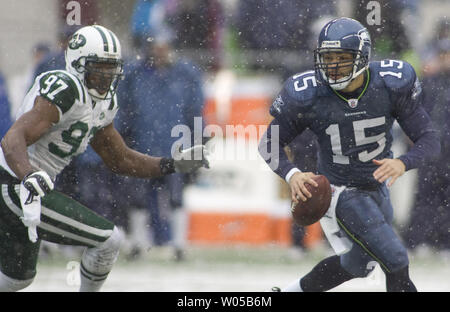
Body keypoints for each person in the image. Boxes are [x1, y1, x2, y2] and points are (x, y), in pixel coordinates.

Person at [0, 25, 209, 292]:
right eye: (99, 66)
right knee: (108, 239)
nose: (107, 74)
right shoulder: (66, 88)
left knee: (16, 280)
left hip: (28, 187)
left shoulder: (103, 101)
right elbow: (12, 138)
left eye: (112, 66)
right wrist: (28, 174)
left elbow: (120, 159)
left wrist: (172, 164)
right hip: (15, 185)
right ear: (78, 62)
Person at [258, 17, 440, 292]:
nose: (332, 66)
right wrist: (292, 174)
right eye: (327, 58)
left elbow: (430, 139)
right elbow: (269, 143)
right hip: (340, 191)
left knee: (358, 264)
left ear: (363, 56)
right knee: (396, 259)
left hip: (377, 188)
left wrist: (404, 162)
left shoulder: (391, 83)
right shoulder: (308, 93)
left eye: (341, 58)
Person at [116, 33, 205, 261]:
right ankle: (138, 242)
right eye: (156, 47)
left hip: (175, 147)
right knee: (137, 198)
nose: (160, 52)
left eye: (164, 47)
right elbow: (124, 110)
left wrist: (198, 144)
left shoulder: (185, 74)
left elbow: (195, 111)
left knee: (176, 196)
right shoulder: (135, 74)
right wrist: (123, 140)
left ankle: (179, 245)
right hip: (142, 145)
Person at [403, 33, 450, 251]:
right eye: (444, 54)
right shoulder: (428, 83)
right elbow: (414, 113)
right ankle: (417, 240)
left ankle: (443, 242)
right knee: (424, 195)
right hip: (432, 148)